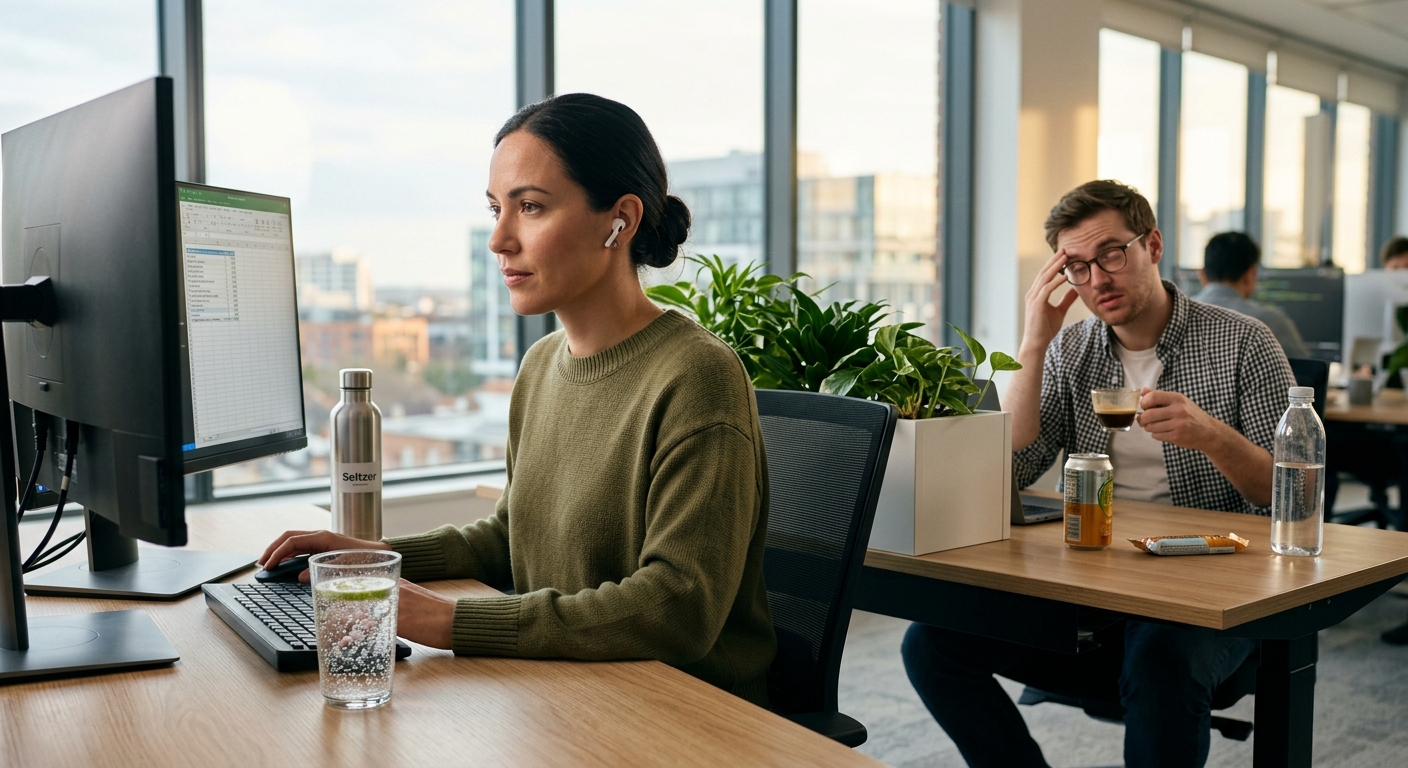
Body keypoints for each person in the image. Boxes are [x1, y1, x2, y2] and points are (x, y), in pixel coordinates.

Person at [260, 93, 777, 706]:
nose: (499, 239)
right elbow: (512, 536)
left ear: (621, 220)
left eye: (530, 207)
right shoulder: (540, 365)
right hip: (567, 691)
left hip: (683, 710)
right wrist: (378, 559)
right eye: (495, 208)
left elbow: (678, 608)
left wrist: (445, 621)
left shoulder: (697, 377)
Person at [901, 180, 1294, 768]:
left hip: (1210, 585)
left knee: (1160, 663)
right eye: (1078, 268)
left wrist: (1211, 435)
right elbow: (1013, 466)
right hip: (1095, 579)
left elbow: (1289, 493)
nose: (1098, 280)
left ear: (1153, 245)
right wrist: (1034, 344)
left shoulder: (1244, 342)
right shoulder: (1071, 350)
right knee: (931, 644)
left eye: (1112, 254)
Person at [1193, 231, 1310, 358]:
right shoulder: (1271, 322)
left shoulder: (1180, 316)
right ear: (1251, 274)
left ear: (1202, 275)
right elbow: (1306, 369)